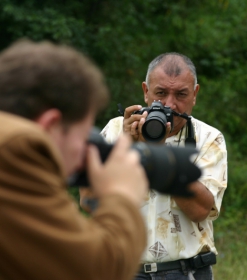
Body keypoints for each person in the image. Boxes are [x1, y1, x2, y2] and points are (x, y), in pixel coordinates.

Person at [0, 39, 149, 280]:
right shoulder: (15, 153)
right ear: (51, 125)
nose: (83, 157)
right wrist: (121, 196)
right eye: (84, 137)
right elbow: (98, 270)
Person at [97, 53, 228, 280]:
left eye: (181, 94)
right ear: (146, 91)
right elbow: (92, 202)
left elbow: (199, 211)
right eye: (160, 93)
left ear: (195, 94)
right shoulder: (117, 131)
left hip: (186, 271)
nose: (169, 104)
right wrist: (125, 147)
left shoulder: (209, 139)